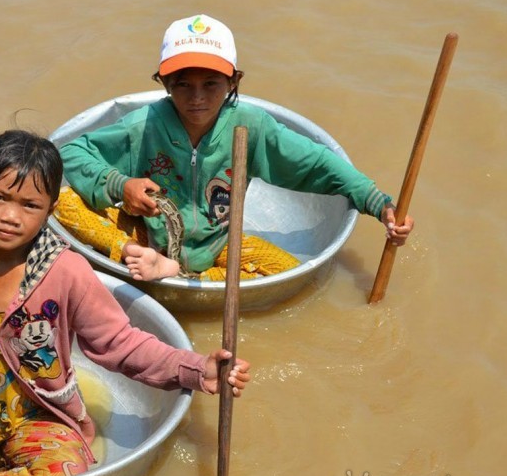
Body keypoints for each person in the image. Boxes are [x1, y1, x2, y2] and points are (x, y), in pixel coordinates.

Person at [0, 130, 251, 476]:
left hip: (36, 421)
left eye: (29, 205)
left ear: (52, 209)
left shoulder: (68, 271)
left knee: (65, 471)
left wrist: (196, 369)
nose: (9, 216)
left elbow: (121, 344)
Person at [54, 14, 415, 282]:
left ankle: (184, 275)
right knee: (62, 202)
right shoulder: (144, 124)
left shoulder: (250, 125)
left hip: (220, 243)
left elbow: (317, 163)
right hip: (148, 235)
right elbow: (71, 155)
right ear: (164, 82)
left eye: (211, 83)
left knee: (294, 275)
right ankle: (136, 256)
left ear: (233, 81)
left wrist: (378, 203)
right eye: (182, 84)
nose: (197, 98)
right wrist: (121, 185)